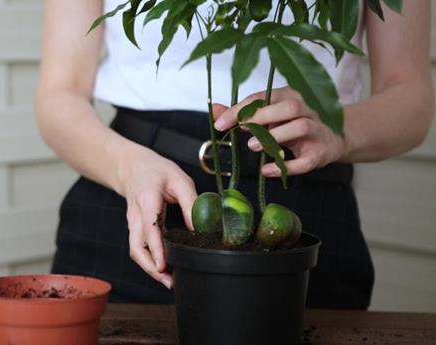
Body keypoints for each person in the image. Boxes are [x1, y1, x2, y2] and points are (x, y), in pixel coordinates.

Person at [35, 0, 433, 308]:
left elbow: (411, 101)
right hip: (133, 201)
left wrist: (337, 132)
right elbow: (58, 96)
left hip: (299, 201)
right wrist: (128, 167)